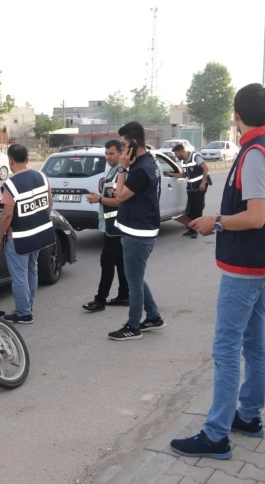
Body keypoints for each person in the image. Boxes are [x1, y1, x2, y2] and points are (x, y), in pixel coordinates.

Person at [170, 83, 265, 459]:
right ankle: (249, 416)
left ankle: (216, 434)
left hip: (247, 266)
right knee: (254, 341)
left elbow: (255, 216)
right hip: (264, 262)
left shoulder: (256, 153)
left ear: (236, 115)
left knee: (226, 349)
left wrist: (215, 221)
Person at [108, 122, 166, 341]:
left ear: (133, 143)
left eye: (123, 144)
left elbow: (121, 196)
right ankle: (153, 316)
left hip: (138, 234)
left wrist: (122, 168)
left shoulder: (141, 168)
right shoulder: (144, 160)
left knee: (133, 281)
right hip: (137, 230)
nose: (121, 150)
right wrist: (122, 182)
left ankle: (133, 327)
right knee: (136, 277)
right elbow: (127, 192)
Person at [0, 144, 54, 324]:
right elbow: (49, 202)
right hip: (40, 235)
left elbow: (7, 215)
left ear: (10, 161)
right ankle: (28, 306)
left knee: (19, 276)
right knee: (32, 271)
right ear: (27, 160)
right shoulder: (42, 176)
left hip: (18, 238)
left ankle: (24, 314)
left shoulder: (10, 185)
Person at [82, 140, 130, 312]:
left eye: (111, 153)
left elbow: (120, 201)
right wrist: (99, 197)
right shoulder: (113, 171)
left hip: (116, 228)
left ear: (120, 153)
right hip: (112, 227)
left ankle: (99, 300)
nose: (107, 157)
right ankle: (124, 295)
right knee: (120, 263)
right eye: (106, 153)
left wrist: (100, 199)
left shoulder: (122, 174)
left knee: (107, 263)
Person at [169, 144, 211, 239]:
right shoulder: (183, 162)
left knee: (197, 208)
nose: (176, 156)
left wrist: (203, 183)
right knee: (191, 209)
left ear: (181, 152)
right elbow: (184, 175)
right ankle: (190, 228)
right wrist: (171, 174)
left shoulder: (195, 157)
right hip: (191, 187)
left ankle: (196, 230)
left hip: (200, 186)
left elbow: (205, 168)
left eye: (176, 154)